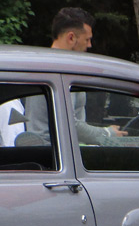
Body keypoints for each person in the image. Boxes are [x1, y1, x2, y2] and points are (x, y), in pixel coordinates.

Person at [23, 8, 127, 143]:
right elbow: (70, 125)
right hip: (55, 155)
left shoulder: (45, 65)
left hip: (45, 152)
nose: (89, 45)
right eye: (87, 39)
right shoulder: (61, 70)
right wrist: (107, 133)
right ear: (71, 37)